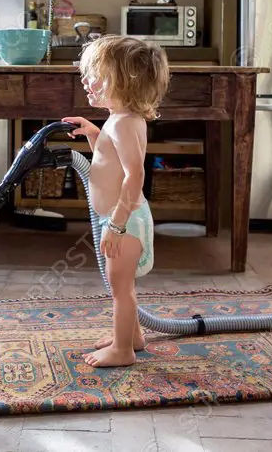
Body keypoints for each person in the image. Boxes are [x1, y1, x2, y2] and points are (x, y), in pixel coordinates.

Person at [62, 35, 170, 368]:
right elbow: (109, 162)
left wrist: (116, 224)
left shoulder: (124, 124)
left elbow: (134, 176)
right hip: (123, 219)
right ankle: (132, 336)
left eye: (96, 73)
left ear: (125, 81)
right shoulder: (119, 120)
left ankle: (123, 350)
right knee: (122, 285)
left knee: (120, 289)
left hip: (125, 221)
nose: (86, 80)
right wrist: (95, 134)